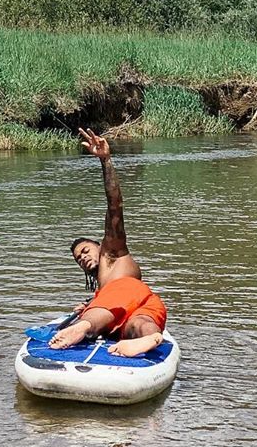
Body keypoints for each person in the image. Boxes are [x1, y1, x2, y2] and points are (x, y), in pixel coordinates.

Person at [49, 127, 168, 357]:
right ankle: (151, 337)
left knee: (95, 314)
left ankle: (83, 327)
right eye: (78, 259)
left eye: (85, 250)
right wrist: (88, 306)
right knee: (139, 324)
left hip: (126, 293)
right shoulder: (103, 288)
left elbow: (115, 206)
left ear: (102, 246)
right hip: (142, 306)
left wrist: (105, 161)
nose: (82, 258)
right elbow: (111, 302)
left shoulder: (112, 253)